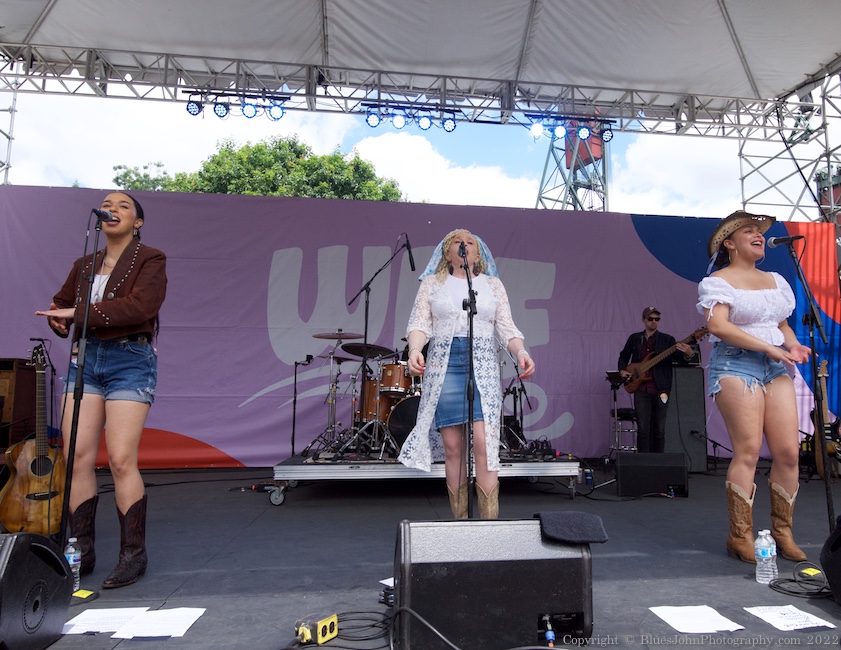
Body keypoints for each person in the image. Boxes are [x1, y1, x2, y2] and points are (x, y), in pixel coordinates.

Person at [36, 192, 167, 588]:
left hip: (129, 358)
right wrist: (59, 321)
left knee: (122, 459)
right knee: (77, 456)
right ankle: (81, 551)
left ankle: (133, 554)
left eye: (123, 205)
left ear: (137, 222)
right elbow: (62, 303)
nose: (113, 208)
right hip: (85, 359)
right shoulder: (86, 263)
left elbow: (140, 307)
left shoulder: (151, 259)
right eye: (108, 204)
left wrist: (76, 313)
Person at [697, 210, 810, 564]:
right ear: (729, 243)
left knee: (789, 452)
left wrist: (790, 345)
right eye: (748, 231)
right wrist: (769, 346)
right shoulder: (717, 281)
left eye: (759, 231)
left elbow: (780, 324)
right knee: (747, 450)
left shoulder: (775, 280)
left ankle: (783, 532)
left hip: (775, 365)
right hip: (735, 363)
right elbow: (718, 327)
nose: (758, 234)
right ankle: (740, 535)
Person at [397, 229, 535, 519]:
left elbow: (507, 327)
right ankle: (460, 523)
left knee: (484, 442)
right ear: (447, 253)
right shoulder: (432, 284)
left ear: (478, 253)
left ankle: (488, 525)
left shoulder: (492, 285)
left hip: (482, 361)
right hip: (445, 363)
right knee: (453, 445)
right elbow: (420, 323)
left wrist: (521, 351)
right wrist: (414, 350)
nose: (464, 245)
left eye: (470, 242)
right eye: (457, 242)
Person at [617, 307, 694, 453]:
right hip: (641, 388)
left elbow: (680, 360)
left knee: (660, 427)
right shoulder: (634, 338)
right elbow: (624, 355)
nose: (654, 322)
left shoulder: (667, 340)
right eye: (650, 319)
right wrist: (622, 370)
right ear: (643, 320)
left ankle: (659, 462)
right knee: (643, 427)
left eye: (657, 319)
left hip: (662, 389)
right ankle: (643, 462)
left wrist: (689, 354)